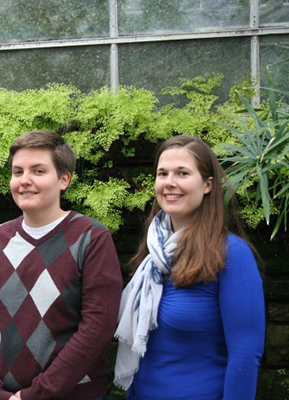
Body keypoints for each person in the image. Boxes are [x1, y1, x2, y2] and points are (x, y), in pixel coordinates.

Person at [0, 130, 123, 400]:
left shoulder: (92, 238)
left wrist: (35, 395)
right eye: (17, 172)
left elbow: (97, 329)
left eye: (38, 171)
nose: (25, 181)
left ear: (64, 179)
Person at [114, 135, 266, 399]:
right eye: (163, 173)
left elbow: (245, 354)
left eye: (182, 173)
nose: (169, 182)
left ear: (207, 185)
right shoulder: (154, 255)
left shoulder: (231, 255)